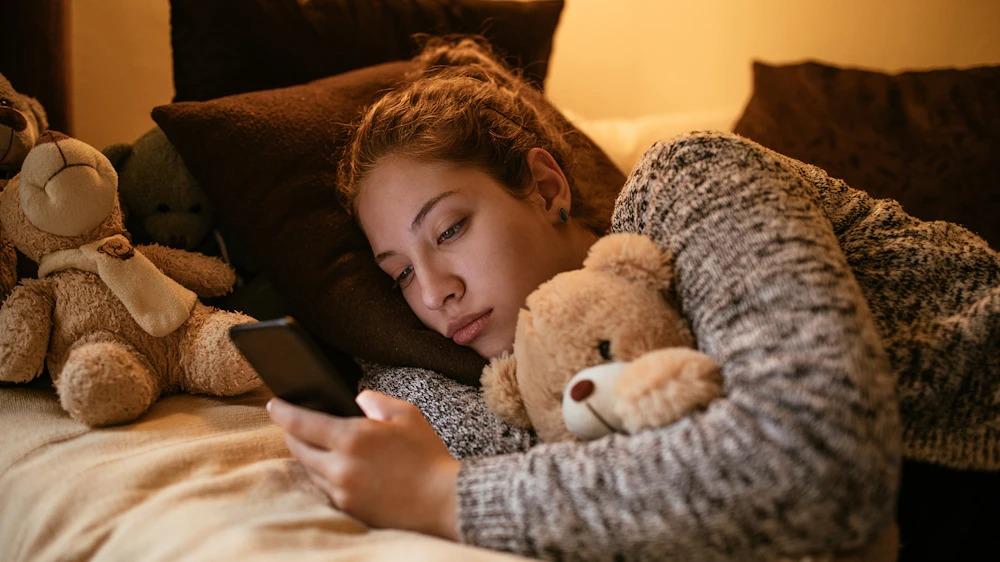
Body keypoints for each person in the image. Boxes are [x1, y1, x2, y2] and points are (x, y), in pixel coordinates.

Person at [265, 37, 999, 561]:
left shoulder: (689, 182)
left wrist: (442, 494)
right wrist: (392, 391)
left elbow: (820, 454)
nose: (432, 292)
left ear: (547, 186)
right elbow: (588, 481)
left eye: (450, 228)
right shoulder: (529, 384)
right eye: (397, 274)